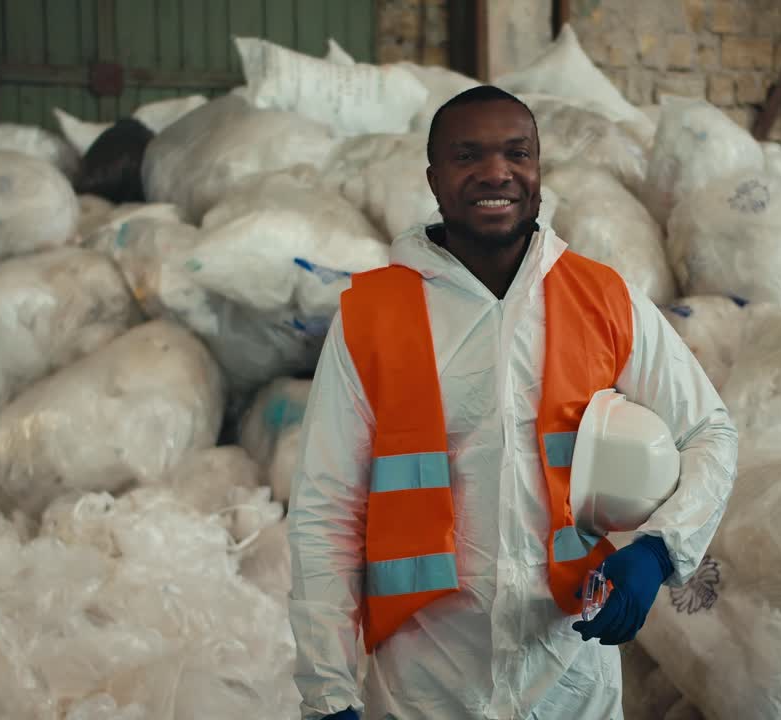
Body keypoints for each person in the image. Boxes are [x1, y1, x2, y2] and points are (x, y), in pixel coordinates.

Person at [287, 85, 738, 720]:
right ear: (434, 178)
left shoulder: (604, 298)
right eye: (467, 155)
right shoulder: (372, 314)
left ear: (538, 172)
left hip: (568, 671)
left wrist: (661, 548)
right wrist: (328, 692)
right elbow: (326, 511)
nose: (495, 172)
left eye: (516, 153)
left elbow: (711, 433)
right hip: (424, 679)